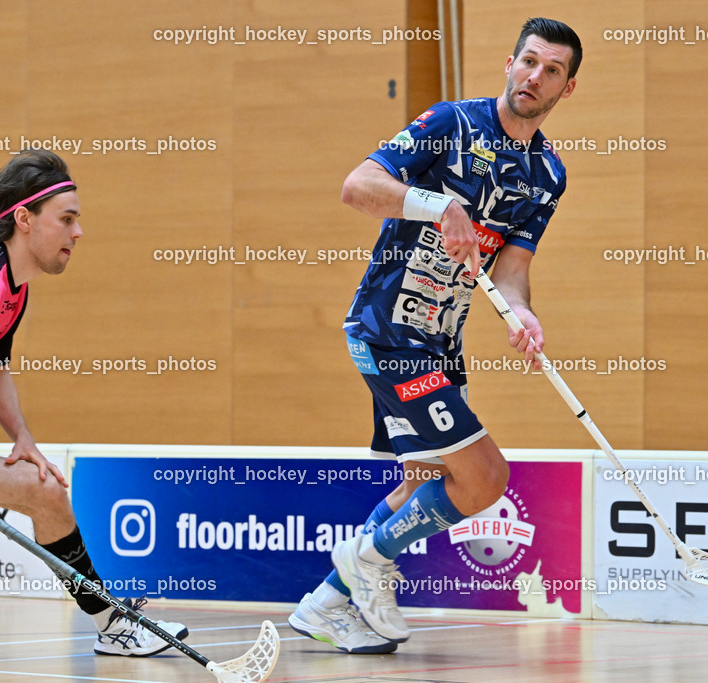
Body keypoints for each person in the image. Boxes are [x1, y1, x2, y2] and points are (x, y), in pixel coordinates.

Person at [288, 17, 581, 653]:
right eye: (528, 61)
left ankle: (324, 605)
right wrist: (435, 205)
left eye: (551, 70)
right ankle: (369, 560)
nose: (535, 76)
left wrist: (524, 314)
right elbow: (357, 186)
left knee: (422, 482)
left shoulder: (548, 175)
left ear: (567, 87)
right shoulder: (450, 124)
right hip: (388, 333)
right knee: (484, 478)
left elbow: (513, 270)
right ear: (509, 63)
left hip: (441, 342)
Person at [0, 150, 188, 656]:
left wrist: (22, 437)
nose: (78, 233)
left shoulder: (14, 287)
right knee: (43, 492)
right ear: (24, 220)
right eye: (67, 219)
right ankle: (112, 624)